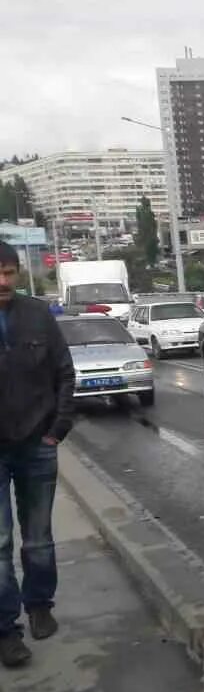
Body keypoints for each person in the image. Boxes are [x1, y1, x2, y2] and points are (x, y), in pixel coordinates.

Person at [0, 240, 75, 667]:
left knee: (39, 538)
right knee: (0, 542)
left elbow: (64, 373)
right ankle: (6, 628)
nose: (3, 281)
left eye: (9, 272)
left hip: (36, 444)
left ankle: (40, 604)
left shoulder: (37, 315)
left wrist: (56, 430)